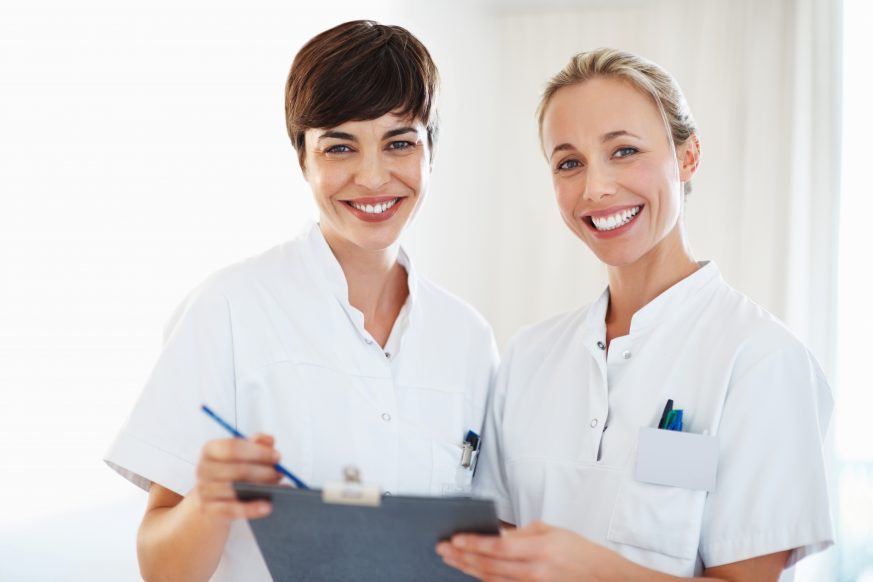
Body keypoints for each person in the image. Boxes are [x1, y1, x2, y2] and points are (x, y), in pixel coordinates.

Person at [104, 20, 498, 581]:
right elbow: (161, 569)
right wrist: (209, 502)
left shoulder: (468, 338)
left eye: (400, 142)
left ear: (431, 150)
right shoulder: (230, 307)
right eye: (340, 146)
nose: (373, 176)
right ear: (303, 160)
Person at [437, 48, 833, 581]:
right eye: (569, 162)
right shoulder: (528, 358)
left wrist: (589, 571)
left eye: (624, 151)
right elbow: (489, 556)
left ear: (688, 156)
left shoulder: (762, 360)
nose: (595, 188)